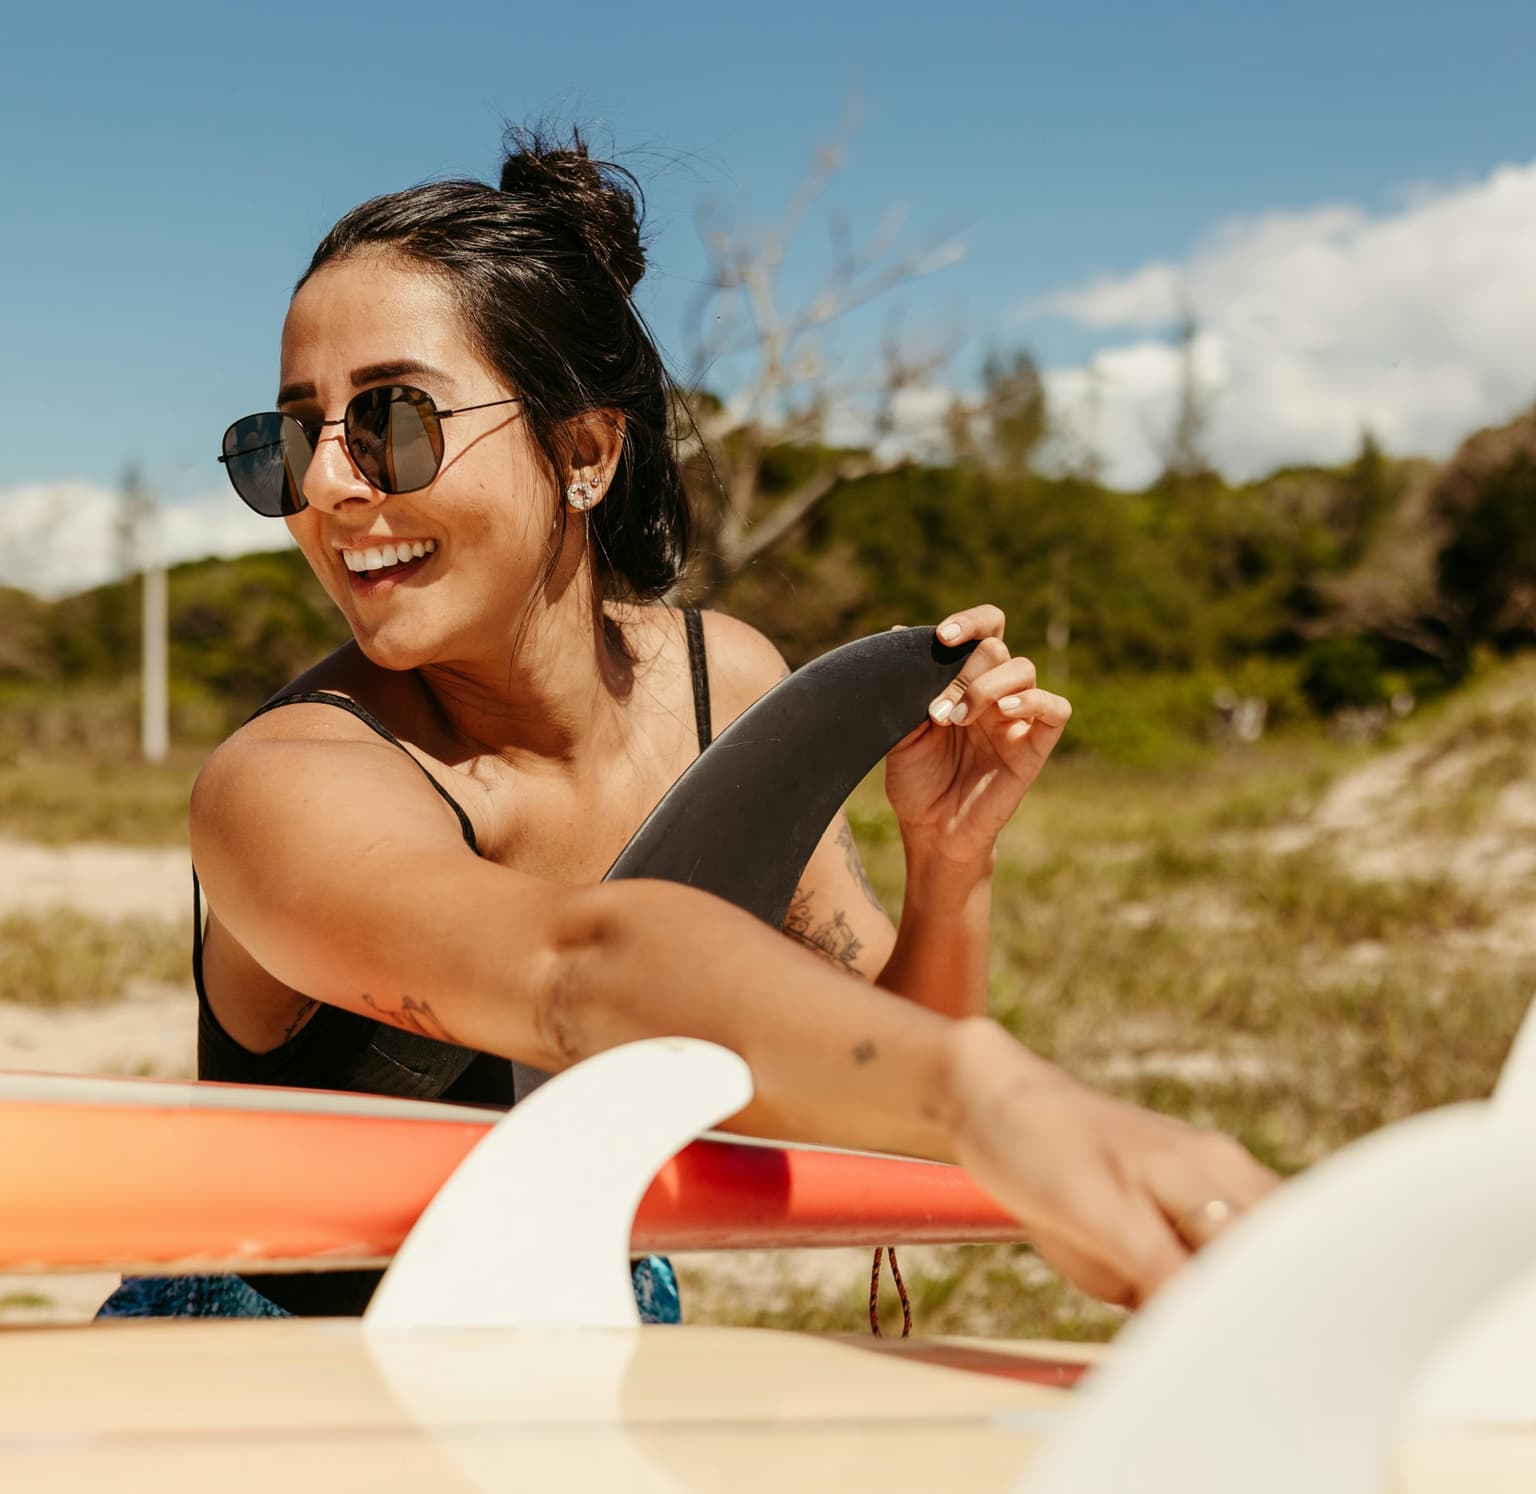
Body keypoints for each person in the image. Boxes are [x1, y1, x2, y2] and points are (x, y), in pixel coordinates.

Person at [100, 131, 1274, 1324]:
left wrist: (951, 864)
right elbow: (577, 970)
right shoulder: (284, 779)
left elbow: (889, 1097)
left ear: (585, 452)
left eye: (396, 421)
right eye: (293, 439)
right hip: (268, 1379)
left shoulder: (722, 685)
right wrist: (996, 1095)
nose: (335, 488)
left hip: (587, 1329)